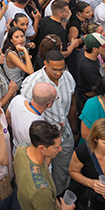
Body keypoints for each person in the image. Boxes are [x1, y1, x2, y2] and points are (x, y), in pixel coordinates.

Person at [21, 48, 77, 195]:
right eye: (54, 70)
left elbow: (71, 104)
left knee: (62, 171)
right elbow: (26, 112)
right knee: (44, 173)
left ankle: (58, 195)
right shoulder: (31, 83)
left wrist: (74, 129)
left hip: (65, 136)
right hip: (44, 141)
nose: (59, 73)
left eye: (62, 69)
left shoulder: (68, 78)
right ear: (45, 63)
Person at [11, 120, 75, 210]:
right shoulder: (41, 190)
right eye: (56, 147)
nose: (60, 149)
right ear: (42, 148)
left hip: (22, 209)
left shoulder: (22, 149)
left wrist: (54, 202)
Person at [7, 82, 57, 150]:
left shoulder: (17, 99)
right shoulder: (39, 125)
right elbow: (41, 150)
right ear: (49, 104)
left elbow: (7, 116)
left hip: (16, 151)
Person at [76, 32, 105, 114]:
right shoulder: (87, 68)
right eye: (104, 46)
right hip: (89, 100)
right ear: (95, 49)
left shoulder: (85, 51)